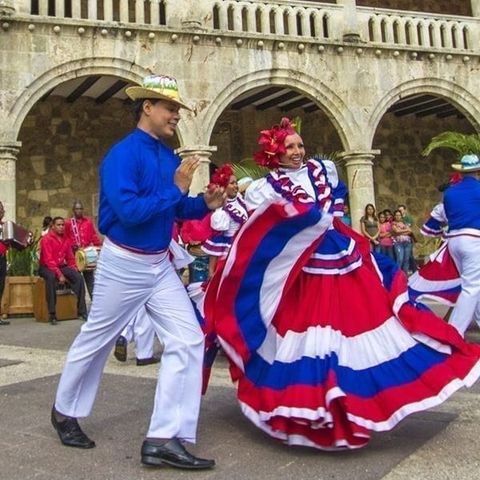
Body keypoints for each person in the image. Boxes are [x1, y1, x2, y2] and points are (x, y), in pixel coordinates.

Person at [203, 117, 480, 451]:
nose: (297, 151)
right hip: (302, 270)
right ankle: (312, 402)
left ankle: (350, 397)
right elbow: (251, 225)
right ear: (275, 152)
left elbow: (329, 210)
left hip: (340, 256)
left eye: (300, 145)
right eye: (289, 146)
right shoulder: (266, 188)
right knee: (307, 334)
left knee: (358, 323)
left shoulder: (323, 171)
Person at [51, 74, 224, 470]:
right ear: (147, 107)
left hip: (159, 264)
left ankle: (163, 438)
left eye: (177, 109)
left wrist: (205, 203)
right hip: (123, 263)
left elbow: (175, 210)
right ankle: (64, 411)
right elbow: (128, 213)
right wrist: (177, 190)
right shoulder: (123, 155)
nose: (176, 115)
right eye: (170, 108)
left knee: (188, 339)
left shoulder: (167, 158)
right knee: (97, 338)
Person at [442, 154, 480, 335]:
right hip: (474, 239)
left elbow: (447, 215)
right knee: (471, 287)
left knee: (473, 284)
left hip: (454, 240)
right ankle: (453, 332)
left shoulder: (450, 192)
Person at [38, 217, 88, 325]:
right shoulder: (46, 239)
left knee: (78, 277)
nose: (61, 227)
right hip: (46, 267)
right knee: (51, 277)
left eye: (62, 225)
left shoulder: (66, 239)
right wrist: (59, 275)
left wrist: (74, 268)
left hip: (60, 266)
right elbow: (49, 261)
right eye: (58, 225)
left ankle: (81, 311)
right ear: (53, 226)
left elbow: (70, 258)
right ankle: (52, 314)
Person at [202, 164, 248, 278]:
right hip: (229, 250)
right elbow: (217, 242)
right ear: (224, 186)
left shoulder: (240, 200)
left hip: (243, 245)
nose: (236, 186)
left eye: (236, 183)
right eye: (232, 183)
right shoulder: (221, 209)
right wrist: (211, 272)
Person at [64, 200, 102, 299]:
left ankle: (95, 304)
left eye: (81, 209)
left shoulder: (88, 222)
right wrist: (73, 245)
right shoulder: (68, 223)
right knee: (77, 280)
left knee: (90, 280)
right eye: (77, 209)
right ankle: (79, 306)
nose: (79, 211)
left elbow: (93, 236)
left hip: (87, 254)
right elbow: (66, 238)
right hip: (73, 255)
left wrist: (100, 246)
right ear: (73, 210)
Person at [391, 209, 414, 274]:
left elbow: (410, 231)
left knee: (406, 260)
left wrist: (400, 232)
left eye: (399, 215)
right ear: (394, 216)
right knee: (400, 259)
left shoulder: (404, 223)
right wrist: (405, 230)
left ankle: (404, 276)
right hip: (398, 243)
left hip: (407, 243)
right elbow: (396, 231)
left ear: (401, 216)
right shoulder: (393, 223)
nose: (398, 216)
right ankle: (397, 276)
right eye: (396, 215)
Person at [0, 202, 10, 325]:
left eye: (2, 210)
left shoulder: (5, 227)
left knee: (0, 286)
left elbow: (10, 242)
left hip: (2, 259)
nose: (1, 212)